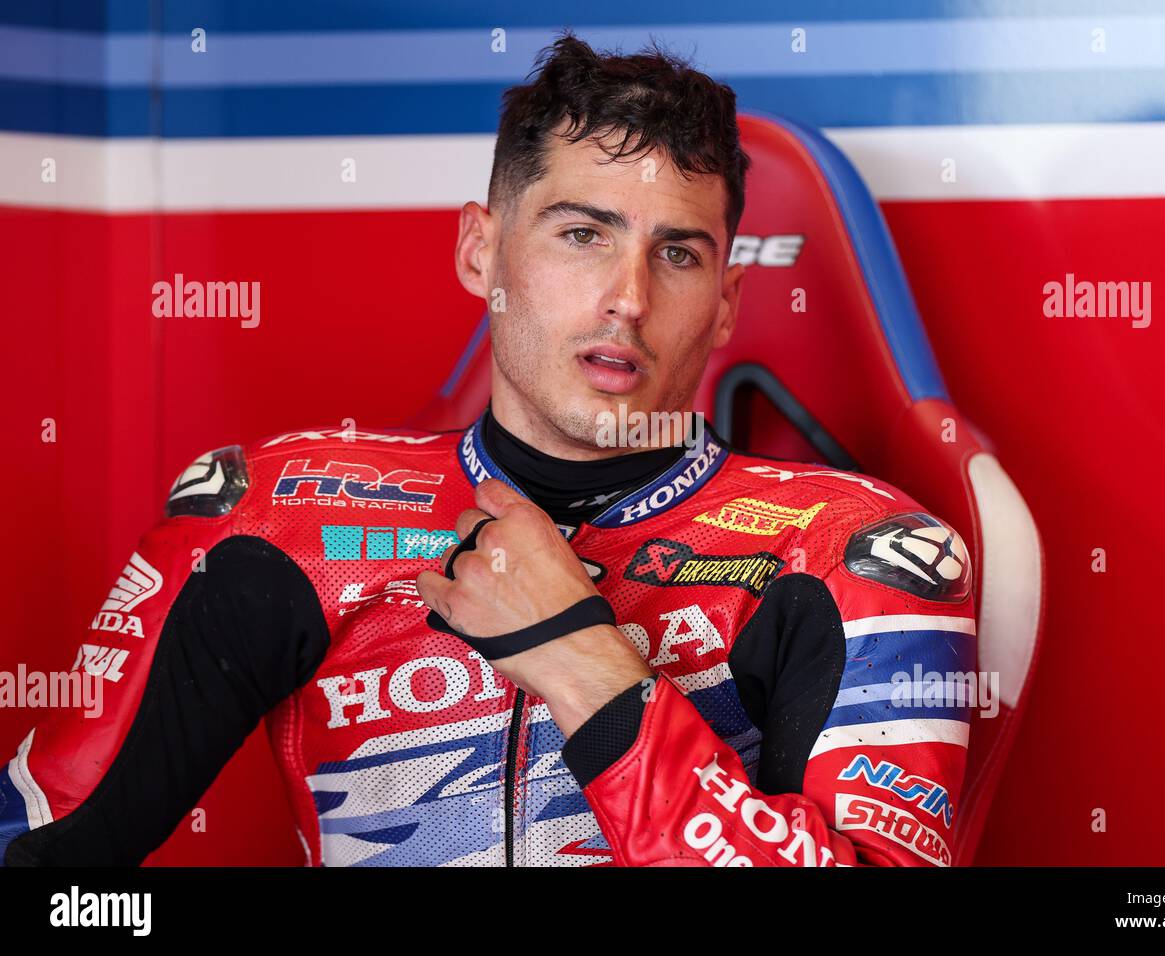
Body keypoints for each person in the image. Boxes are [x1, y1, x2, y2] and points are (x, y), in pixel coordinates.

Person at [0, 34, 975, 867]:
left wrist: (581, 657)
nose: (627, 297)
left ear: (724, 304)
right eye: (583, 233)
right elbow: (43, 838)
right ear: (481, 251)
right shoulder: (278, 514)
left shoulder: (860, 554)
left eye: (677, 253)